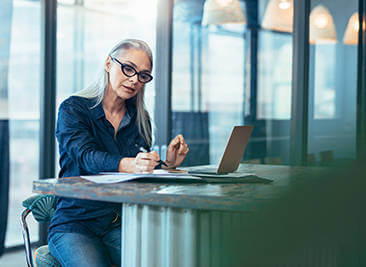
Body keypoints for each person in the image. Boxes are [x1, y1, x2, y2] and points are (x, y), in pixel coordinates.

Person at [48, 39, 189, 267]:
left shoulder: (139, 120)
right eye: (128, 68)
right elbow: (86, 157)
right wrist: (130, 164)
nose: (134, 79)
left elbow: (138, 173)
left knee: (164, 260)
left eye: (143, 75)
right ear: (108, 63)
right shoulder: (73, 109)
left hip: (120, 224)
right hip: (75, 225)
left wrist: (167, 164)